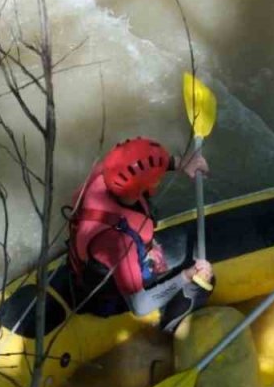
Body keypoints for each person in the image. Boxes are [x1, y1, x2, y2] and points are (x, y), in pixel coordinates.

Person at [66, 137, 214, 332]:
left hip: (95, 265)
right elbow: (139, 306)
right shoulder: (120, 242)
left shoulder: (103, 175)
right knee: (204, 282)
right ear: (148, 185)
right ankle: (170, 325)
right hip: (110, 297)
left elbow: (138, 163)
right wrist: (186, 276)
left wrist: (180, 163)